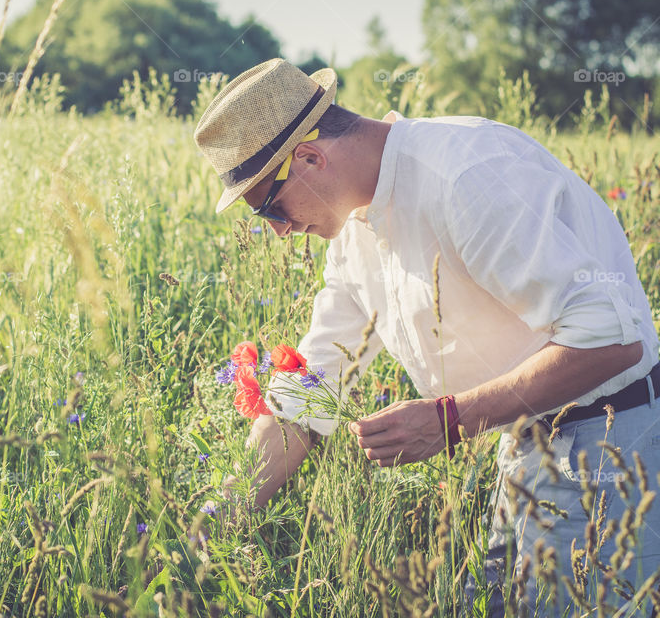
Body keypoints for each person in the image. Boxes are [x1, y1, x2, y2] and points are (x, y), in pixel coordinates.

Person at [193, 57, 660, 615]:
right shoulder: (354, 227)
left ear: (311, 158)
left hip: (608, 441)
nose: (277, 231)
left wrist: (449, 420)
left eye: (270, 207)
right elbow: (312, 387)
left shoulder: (465, 176)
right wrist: (217, 520)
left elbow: (611, 338)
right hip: (526, 439)